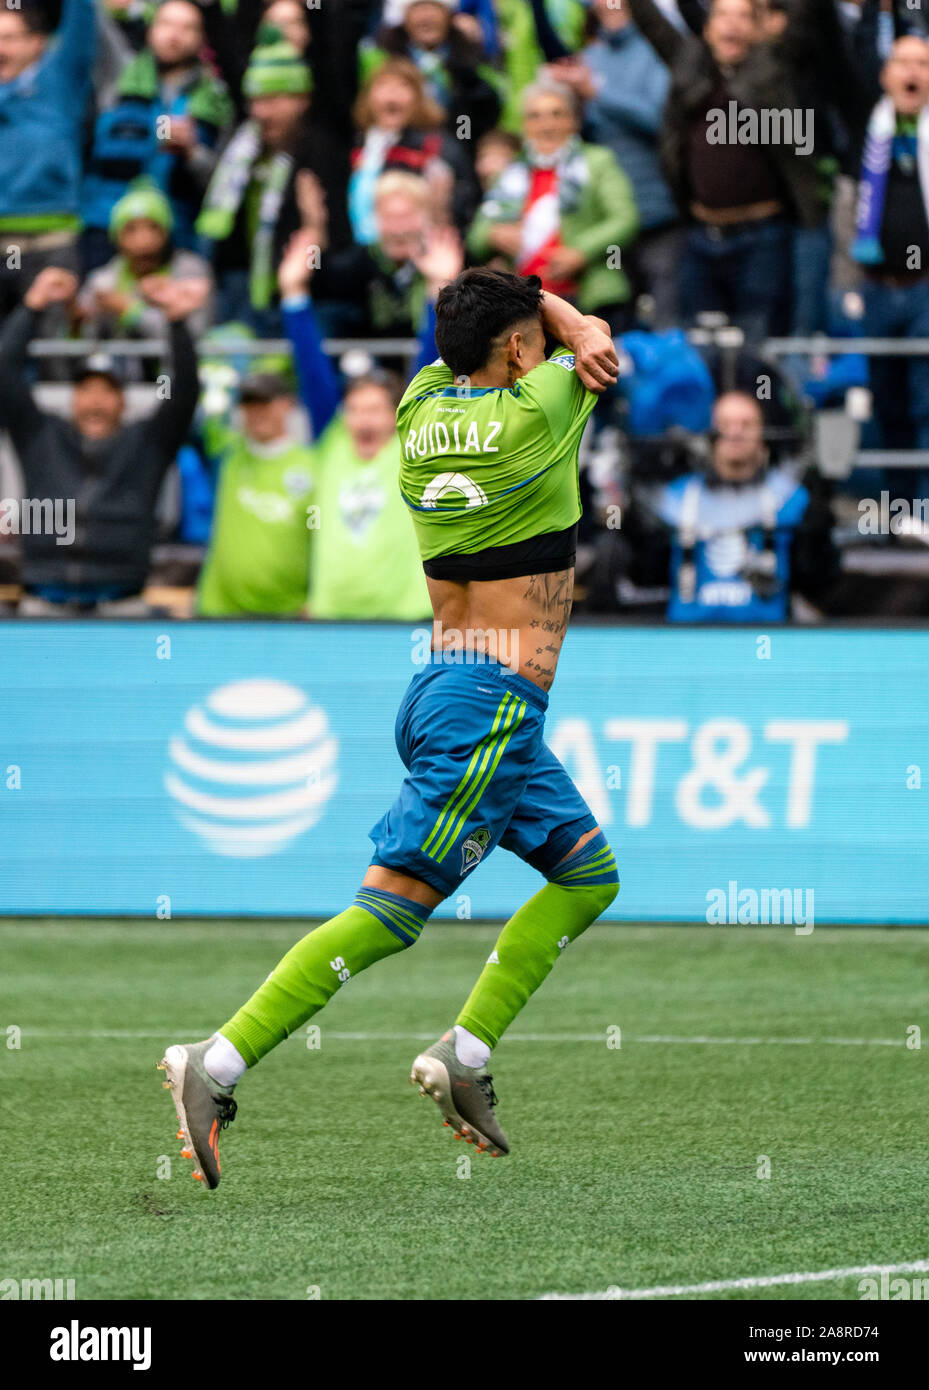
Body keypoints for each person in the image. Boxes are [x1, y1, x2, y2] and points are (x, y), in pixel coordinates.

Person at [158, 268, 622, 1186]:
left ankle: (467, 1053)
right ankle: (214, 1063)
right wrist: (560, 308)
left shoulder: (417, 407)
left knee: (587, 875)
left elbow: (493, 346)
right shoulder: (539, 410)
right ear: (522, 349)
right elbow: (601, 345)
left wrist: (528, 317)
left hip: (451, 685)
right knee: (392, 912)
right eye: (531, 333)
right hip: (488, 702)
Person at [0, 267, 205, 615]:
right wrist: (33, 305)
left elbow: (183, 393)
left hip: (123, 604)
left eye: (107, 391)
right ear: (72, 399)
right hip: (43, 602)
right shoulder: (40, 434)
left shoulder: (146, 443)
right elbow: (5, 368)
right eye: (86, 390)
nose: (96, 401)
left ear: (123, 402)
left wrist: (176, 321)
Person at [279, 226, 435, 621]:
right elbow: (312, 369)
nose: (363, 419)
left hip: (404, 619)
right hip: (331, 617)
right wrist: (293, 292)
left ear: (396, 415)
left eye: (376, 409)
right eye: (355, 409)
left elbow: (428, 367)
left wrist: (436, 289)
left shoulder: (410, 446)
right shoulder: (331, 442)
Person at [623, 390, 838, 621]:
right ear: (710, 433)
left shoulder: (793, 500)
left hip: (766, 637)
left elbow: (819, 579)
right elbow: (643, 572)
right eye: (725, 424)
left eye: (746, 424)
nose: (735, 433)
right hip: (688, 638)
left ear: (763, 434)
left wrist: (819, 526)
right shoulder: (677, 498)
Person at [467, 76, 639, 330]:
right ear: (524, 125)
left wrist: (580, 252)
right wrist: (493, 234)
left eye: (557, 114)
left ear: (574, 121)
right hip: (526, 307)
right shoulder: (510, 173)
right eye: (535, 116)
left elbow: (625, 219)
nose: (546, 125)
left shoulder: (597, 162)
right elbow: (476, 236)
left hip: (588, 299)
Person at [80, 0, 233, 270]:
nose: (174, 35)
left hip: (174, 235)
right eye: (166, 24)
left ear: (202, 39)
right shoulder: (119, 74)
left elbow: (224, 184)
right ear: (150, 29)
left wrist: (192, 152)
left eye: (187, 28)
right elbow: (89, 19)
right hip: (104, 228)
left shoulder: (216, 98)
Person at [853, 34, 929, 502]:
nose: (912, 72)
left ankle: (925, 506)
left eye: (922, 63)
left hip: (926, 289)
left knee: (927, 402)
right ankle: (897, 511)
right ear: (884, 74)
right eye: (902, 62)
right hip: (876, 288)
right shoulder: (866, 128)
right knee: (887, 400)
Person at [0, 0, 96, 323]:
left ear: (37, 42)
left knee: (53, 356)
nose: (1, 48)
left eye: (9, 38)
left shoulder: (61, 81)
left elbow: (81, 21)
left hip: (53, 241)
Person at [195, 367, 316, 617]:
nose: (256, 411)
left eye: (265, 402)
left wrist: (316, 598)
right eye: (248, 403)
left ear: (287, 405)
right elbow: (187, 407)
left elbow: (323, 540)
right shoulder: (226, 455)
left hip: (289, 614)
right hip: (220, 612)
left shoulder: (313, 466)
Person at [78, 181, 214, 354]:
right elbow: (84, 349)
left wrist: (131, 311)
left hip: (174, 377)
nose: (144, 241)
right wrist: (77, 317)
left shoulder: (191, 271)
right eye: (131, 229)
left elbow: (195, 335)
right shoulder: (102, 280)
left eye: (153, 227)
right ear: (116, 237)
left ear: (167, 233)